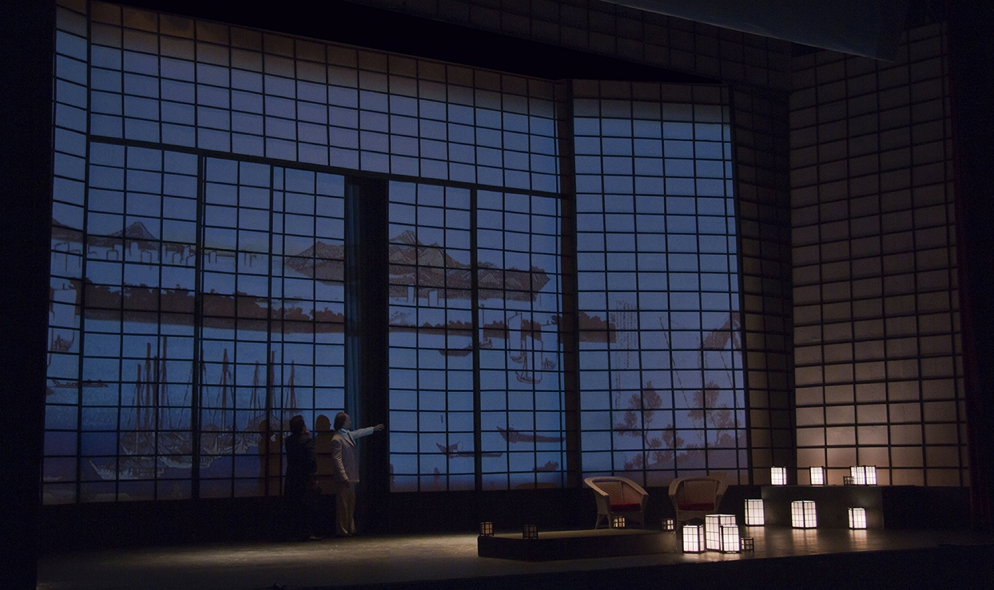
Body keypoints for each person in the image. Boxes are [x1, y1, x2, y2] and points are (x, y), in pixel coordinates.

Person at [330, 412, 385, 537]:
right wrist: (343, 477)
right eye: (348, 420)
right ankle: (343, 529)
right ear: (343, 422)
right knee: (343, 504)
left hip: (351, 475)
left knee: (350, 503)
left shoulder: (347, 434)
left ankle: (350, 527)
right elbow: (337, 460)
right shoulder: (337, 439)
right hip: (344, 477)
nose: (350, 422)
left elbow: (359, 432)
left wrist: (373, 429)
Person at [283, 414, 319, 541]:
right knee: (306, 506)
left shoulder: (288, 440)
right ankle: (307, 532)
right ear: (303, 426)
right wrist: (313, 476)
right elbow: (311, 461)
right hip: (304, 476)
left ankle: (294, 532)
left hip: (291, 475)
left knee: (293, 505)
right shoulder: (307, 441)